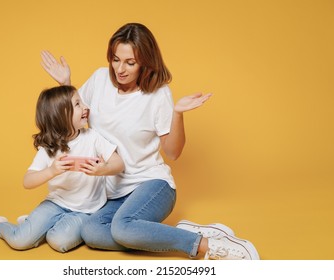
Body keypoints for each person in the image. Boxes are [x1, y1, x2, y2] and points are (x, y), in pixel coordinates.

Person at [40, 22, 260, 260]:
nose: (120, 69)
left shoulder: (158, 94)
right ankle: (175, 232)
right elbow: (74, 119)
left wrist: (177, 114)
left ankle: (207, 246)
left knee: (123, 228)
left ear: (145, 62)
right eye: (115, 59)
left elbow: (173, 153)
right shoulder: (99, 79)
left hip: (152, 184)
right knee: (92, 233)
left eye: (130, 62)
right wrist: (65, 83)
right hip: (112, 191)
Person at [0, 85, 124, 253]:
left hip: (85, 212)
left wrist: (102, 169)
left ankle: (34, 224)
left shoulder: (92, 137)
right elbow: (27, 181)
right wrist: (52, 171)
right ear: (60, 115)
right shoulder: (49, 147)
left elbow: (119, 164)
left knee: (59, 242)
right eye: (78, 104)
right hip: (55, 204)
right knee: (19, 241)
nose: (85, 107)